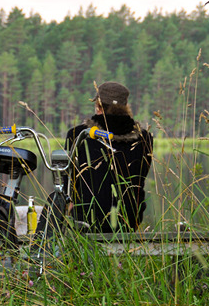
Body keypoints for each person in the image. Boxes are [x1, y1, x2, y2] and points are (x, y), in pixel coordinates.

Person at [65, 82, 153, 233]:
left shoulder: (77, 135)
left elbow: (68, 183)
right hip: (129, 220)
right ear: (126, 106)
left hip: (86, 222)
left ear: (98, 105)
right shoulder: (145, 137)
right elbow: (140, 180)